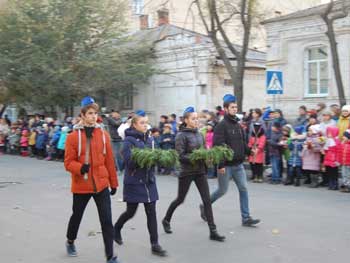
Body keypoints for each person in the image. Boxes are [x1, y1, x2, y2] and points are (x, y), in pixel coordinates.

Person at [64, 96, 120, 263]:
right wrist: (80, 168)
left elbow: (110, 160)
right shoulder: (73, 137)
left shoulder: (103, 135)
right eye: (89, 113)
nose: (93, 116)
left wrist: (114, 182)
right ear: (82, 115)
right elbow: (68, 162)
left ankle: (110, 256)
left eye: (95, 113)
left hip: (101, 184)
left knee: (107, 221)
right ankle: (70, 240)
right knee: (77, 216)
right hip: (82, 185)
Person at [162, 107, 225, 242]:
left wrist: (208, 157)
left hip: (200, 171)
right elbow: (181, 156)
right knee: (180, 199)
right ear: (186, 120)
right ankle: (166, 220)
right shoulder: (181, 135)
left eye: (197, 118)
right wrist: (196, 157)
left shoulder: (199, 134)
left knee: (207, 200)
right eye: (193, 118)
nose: (196, 121)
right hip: (187, 172)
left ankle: (213, 231)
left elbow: (203, 151)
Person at [114, 110, 167, 257]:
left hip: (149, 181)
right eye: (142, 123)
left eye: (146, 122)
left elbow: (156, 154)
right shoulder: (128, 141)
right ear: (134, 124)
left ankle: (155, 244)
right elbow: (128, 162)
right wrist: (144, 158)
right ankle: (117, 228)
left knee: (151, 212)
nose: (145, 125)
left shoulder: (150, 139)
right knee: (131, 212)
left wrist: (160, 158)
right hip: (134, 181)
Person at [201, 94, 260, 227]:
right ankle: (205, 205)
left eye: (236, 107)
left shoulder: (238, 125)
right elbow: (218, 146)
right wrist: (220, 164)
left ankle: (246, 218)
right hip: (225, 166)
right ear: (226, 109)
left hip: (238, 165)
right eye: (232, 107)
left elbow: (242, 144)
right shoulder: (221, 126)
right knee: (222, 191)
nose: (235, 109)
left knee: (244, 189)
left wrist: (250, 151)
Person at [323, 126, 341, 190]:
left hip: (334, 159)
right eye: (328, 133)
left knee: (334, 172)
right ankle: (330, 183)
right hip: (328, 158)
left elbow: (338, 151)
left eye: (330, 133)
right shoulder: (328, 140)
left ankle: (335, 184)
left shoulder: (337, 141)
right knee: (329, 171)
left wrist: (338, 160)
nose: (328, 134)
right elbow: (326, 149)